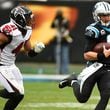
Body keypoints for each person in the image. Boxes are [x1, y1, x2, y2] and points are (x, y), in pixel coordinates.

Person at [59, 1, 110, 110]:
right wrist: (102, 55)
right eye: (104, 15)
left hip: (107, 67)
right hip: (94, 66)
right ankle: (72, 81)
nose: (107, 17)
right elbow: (86, 55)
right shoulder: (93, 30)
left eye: (108, 14)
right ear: (96, 15)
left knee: (106, 94)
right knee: (82, 97)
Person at [0, 6, 45, 110]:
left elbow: (29, 52)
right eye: (28, 18)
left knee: (19, 95)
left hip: (11, 65)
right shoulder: (9, 31)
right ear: (20, 19)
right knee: (16, 94)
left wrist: (36, 50)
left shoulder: (27, 30)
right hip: (1, 66)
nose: (31, 20)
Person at [51, 10, 73, 74]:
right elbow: (52, 26)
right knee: (58, 57)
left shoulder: (65, 20)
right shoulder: (56, 21)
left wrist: (62, 25)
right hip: (58, 41)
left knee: (64, 57)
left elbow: (67, 27)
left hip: (64, 41)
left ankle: (65, 71)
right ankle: (58, 71)